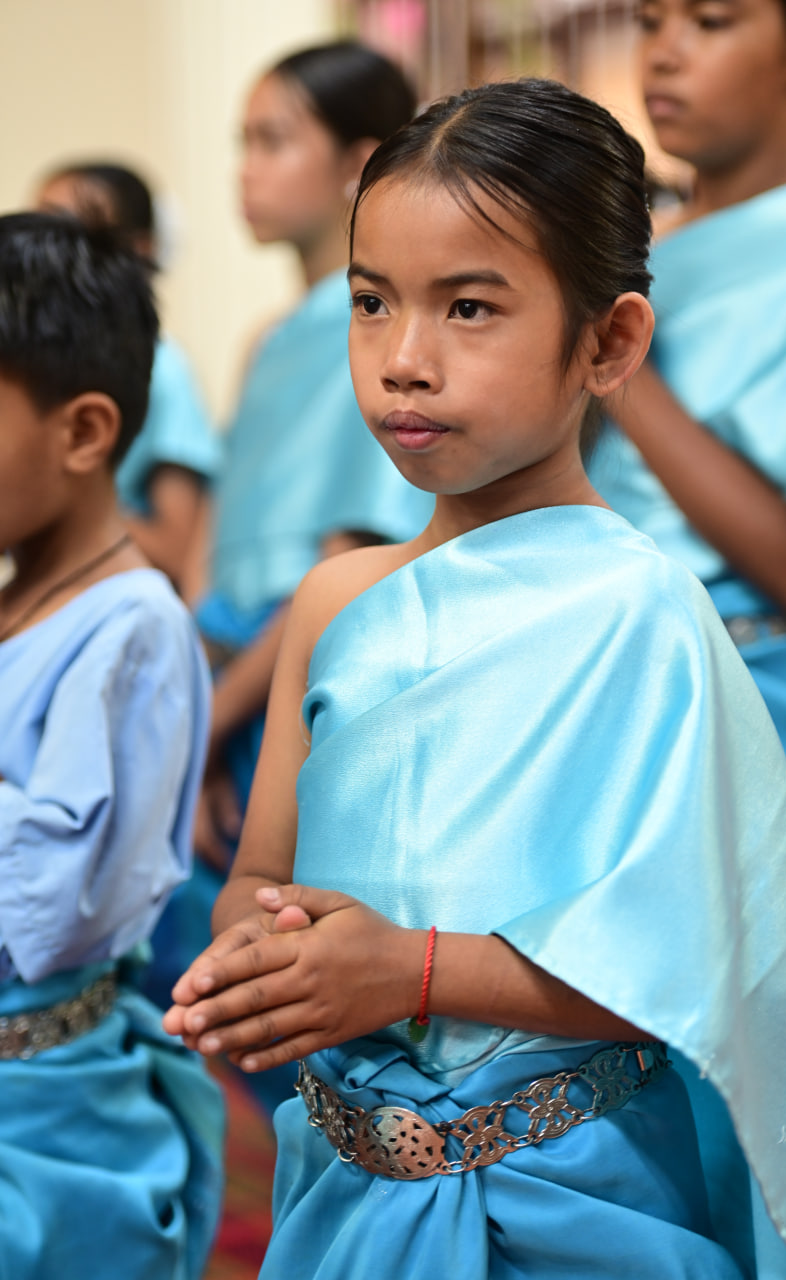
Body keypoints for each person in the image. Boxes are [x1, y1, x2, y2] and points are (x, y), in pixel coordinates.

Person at [165, 80, 786, 1279]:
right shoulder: (333, 603)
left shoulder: (640, 611)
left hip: (580, 1200)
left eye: (469, 307)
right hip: (345, 1196)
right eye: (371, 302)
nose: (403, 360)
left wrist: (408, 968)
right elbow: (259, 874)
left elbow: (689, 968)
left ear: (608, 343)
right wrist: (259, 946)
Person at [147, 43, 434, 1080]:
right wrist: (187, 694)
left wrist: (212, 726)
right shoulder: (270, 340)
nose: (245, 170)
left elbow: (346, 560)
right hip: (223, 669)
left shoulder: (395, 342)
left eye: (273, 141)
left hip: (294, 669)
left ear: (359, 162)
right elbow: (213, 539)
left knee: (283, 965)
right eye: (242, 142)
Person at [586, 0, 786, 982]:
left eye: (708, 20)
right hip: (608, 682)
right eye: (649, 20)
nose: (662, 52)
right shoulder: (643, 253)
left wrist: (620, 367)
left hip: (762, 711)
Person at [0, 213, 223, 1280]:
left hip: (41, 1116)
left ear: (84, 431)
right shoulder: (17, 598)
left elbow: (52, 910)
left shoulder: (134, 628)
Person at [36, 160, 221, 591]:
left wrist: (62, 508)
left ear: (139, 251)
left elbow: (177, 548)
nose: (45, 253)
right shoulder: (42, 364)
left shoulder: (165, 372)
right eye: (40, 229)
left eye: (70, 234)